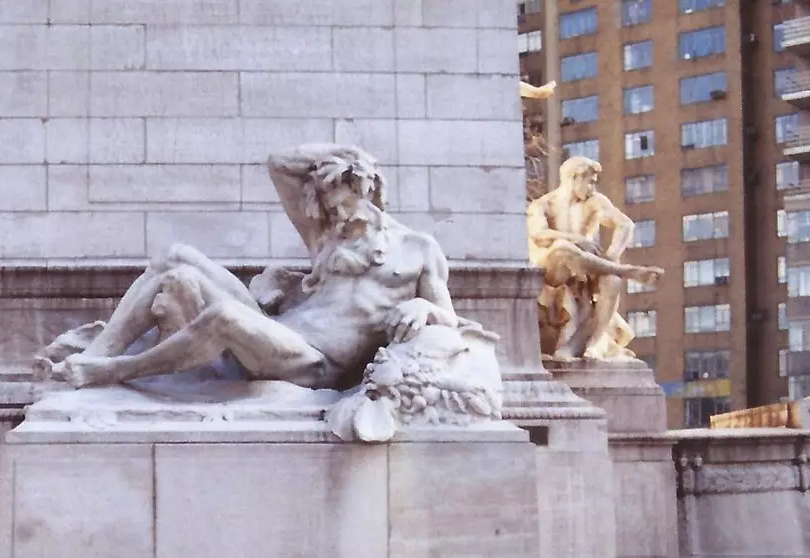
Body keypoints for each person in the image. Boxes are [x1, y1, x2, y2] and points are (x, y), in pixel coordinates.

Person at [36, 144, 482, 391]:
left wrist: (425, 311)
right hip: (278, 329)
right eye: (329, 208)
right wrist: (343, 153)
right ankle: (98, 354)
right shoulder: (325, 239)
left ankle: (114, 371)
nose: (336, 218)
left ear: (368, 193)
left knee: (224, 317)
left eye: (344, 206)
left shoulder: (419, 247)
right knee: (177, 258)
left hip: (315, 362)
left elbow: (451, 319)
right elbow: (279, 164)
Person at [526, 155, 663, 361]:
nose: (592, 187)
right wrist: (577, 239)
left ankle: (590, 342)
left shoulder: (594, 201)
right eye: (589, 182)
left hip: (584, 271)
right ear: (574, 178)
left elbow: (625, 225)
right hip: (551, 271)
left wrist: (611, 256)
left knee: (612, 280)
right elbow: (539, 234)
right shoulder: (542, 205)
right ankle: (629, 272)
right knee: (562, 247)